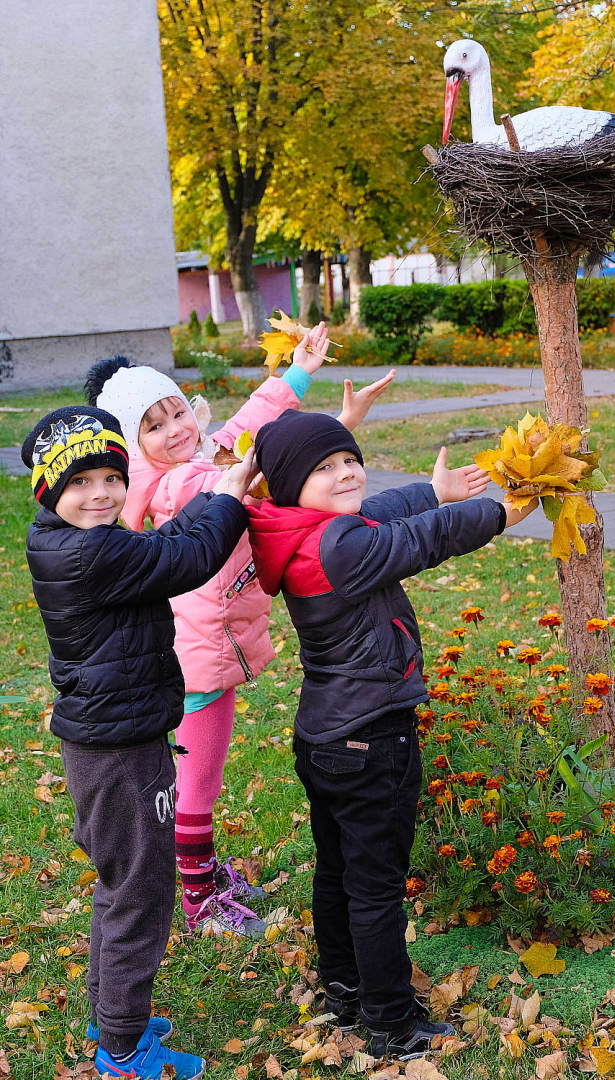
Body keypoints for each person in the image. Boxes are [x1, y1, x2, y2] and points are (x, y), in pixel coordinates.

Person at [247, 410, 537, 1061]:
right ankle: (391, 1024)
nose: (345, 471)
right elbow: (422, 540)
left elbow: (380, 512)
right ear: (292, 485)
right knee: (375, 888)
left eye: (348, 458)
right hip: (372, 738)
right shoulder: (339, 547)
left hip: (323, 737)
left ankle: (344, 989)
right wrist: (500, 514)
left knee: (337, 873)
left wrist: (432, 488)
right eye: (324, 468)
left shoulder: (300, 530)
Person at [86, 328, 394, 937]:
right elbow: (246, 474)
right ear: (134, 445)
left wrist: (300, 373)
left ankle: (199, 870)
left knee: (205, 770)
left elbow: (253, 420)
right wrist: (332, 430)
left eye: (177, 410)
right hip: (195, 654)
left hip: (214, 647)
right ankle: (199, 895)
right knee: (198, 781)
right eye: (154, 425)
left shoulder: (202, 457)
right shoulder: (175, 483)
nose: (176, 428)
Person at [23, 406, 259, 1080]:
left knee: (118, 883)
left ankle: (110, 1016)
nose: (99, 494)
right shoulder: (92, 551)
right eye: (79, 483)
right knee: (142, 894)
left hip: (108, 741)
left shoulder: (68, 539)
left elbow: (163, 545)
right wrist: (231, 497)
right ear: (48, 490)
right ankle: (123, 1052)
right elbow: (187, 555)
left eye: (110, 477)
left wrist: (212, 498)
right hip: (121, 752)